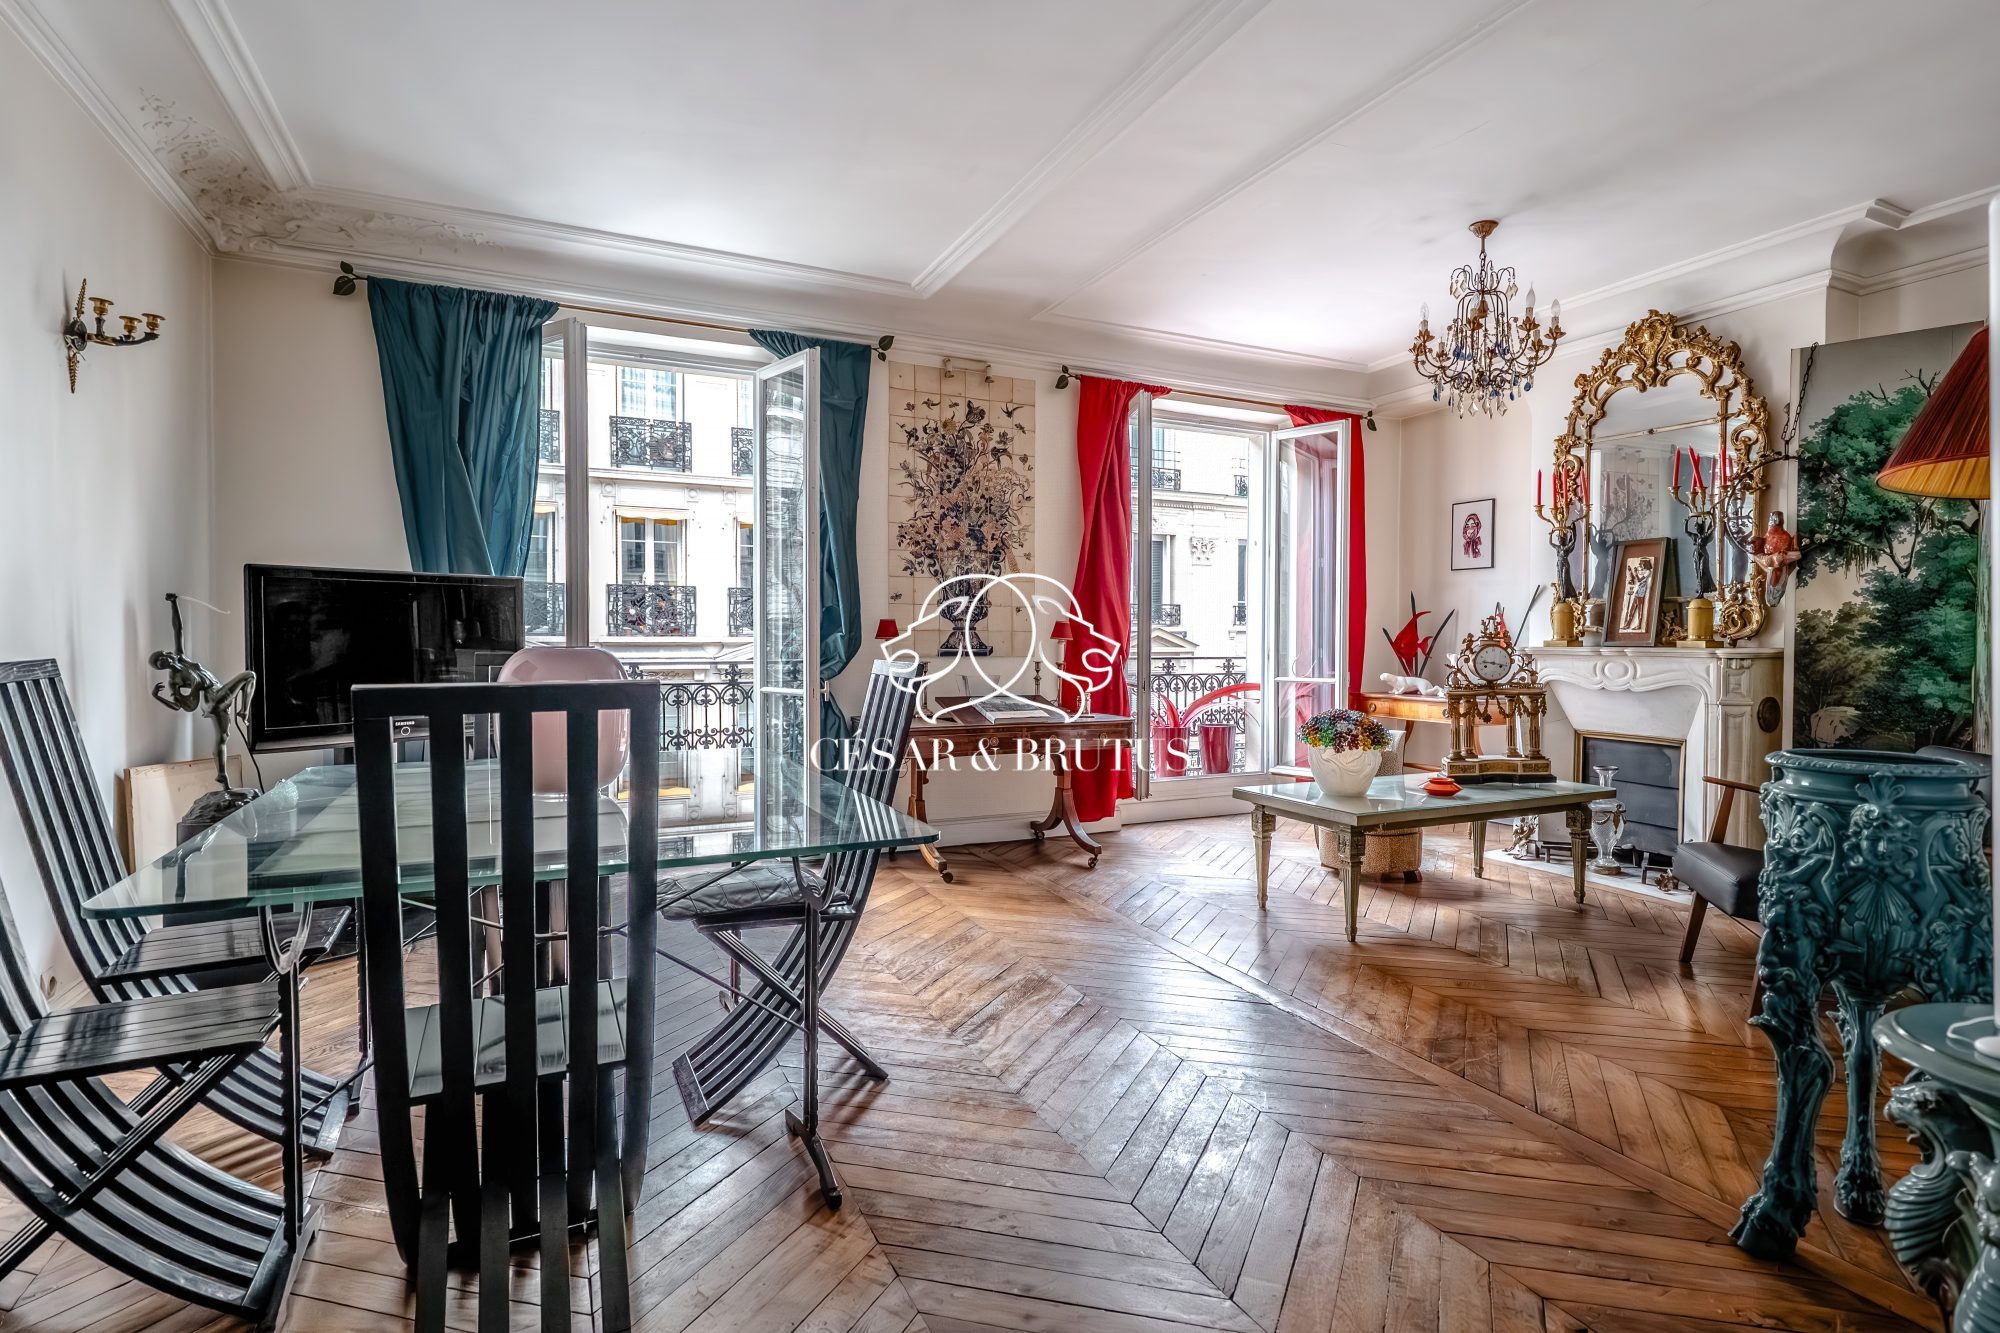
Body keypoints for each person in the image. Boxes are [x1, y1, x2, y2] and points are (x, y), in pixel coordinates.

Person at [1617, 556, 1655, 632]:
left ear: (1645, 564)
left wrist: (1635, 573)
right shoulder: (1642, 570)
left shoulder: (1648, 572)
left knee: (1639, 608)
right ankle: (1628, 624)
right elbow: (1636, 578)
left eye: (1641, 564)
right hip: (1638, 590)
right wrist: (1632, 572)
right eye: (1640, 564)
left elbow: (1639, 580)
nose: (1640, 565)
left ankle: (1639, 624)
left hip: (1641, 591)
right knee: (1632, 608)